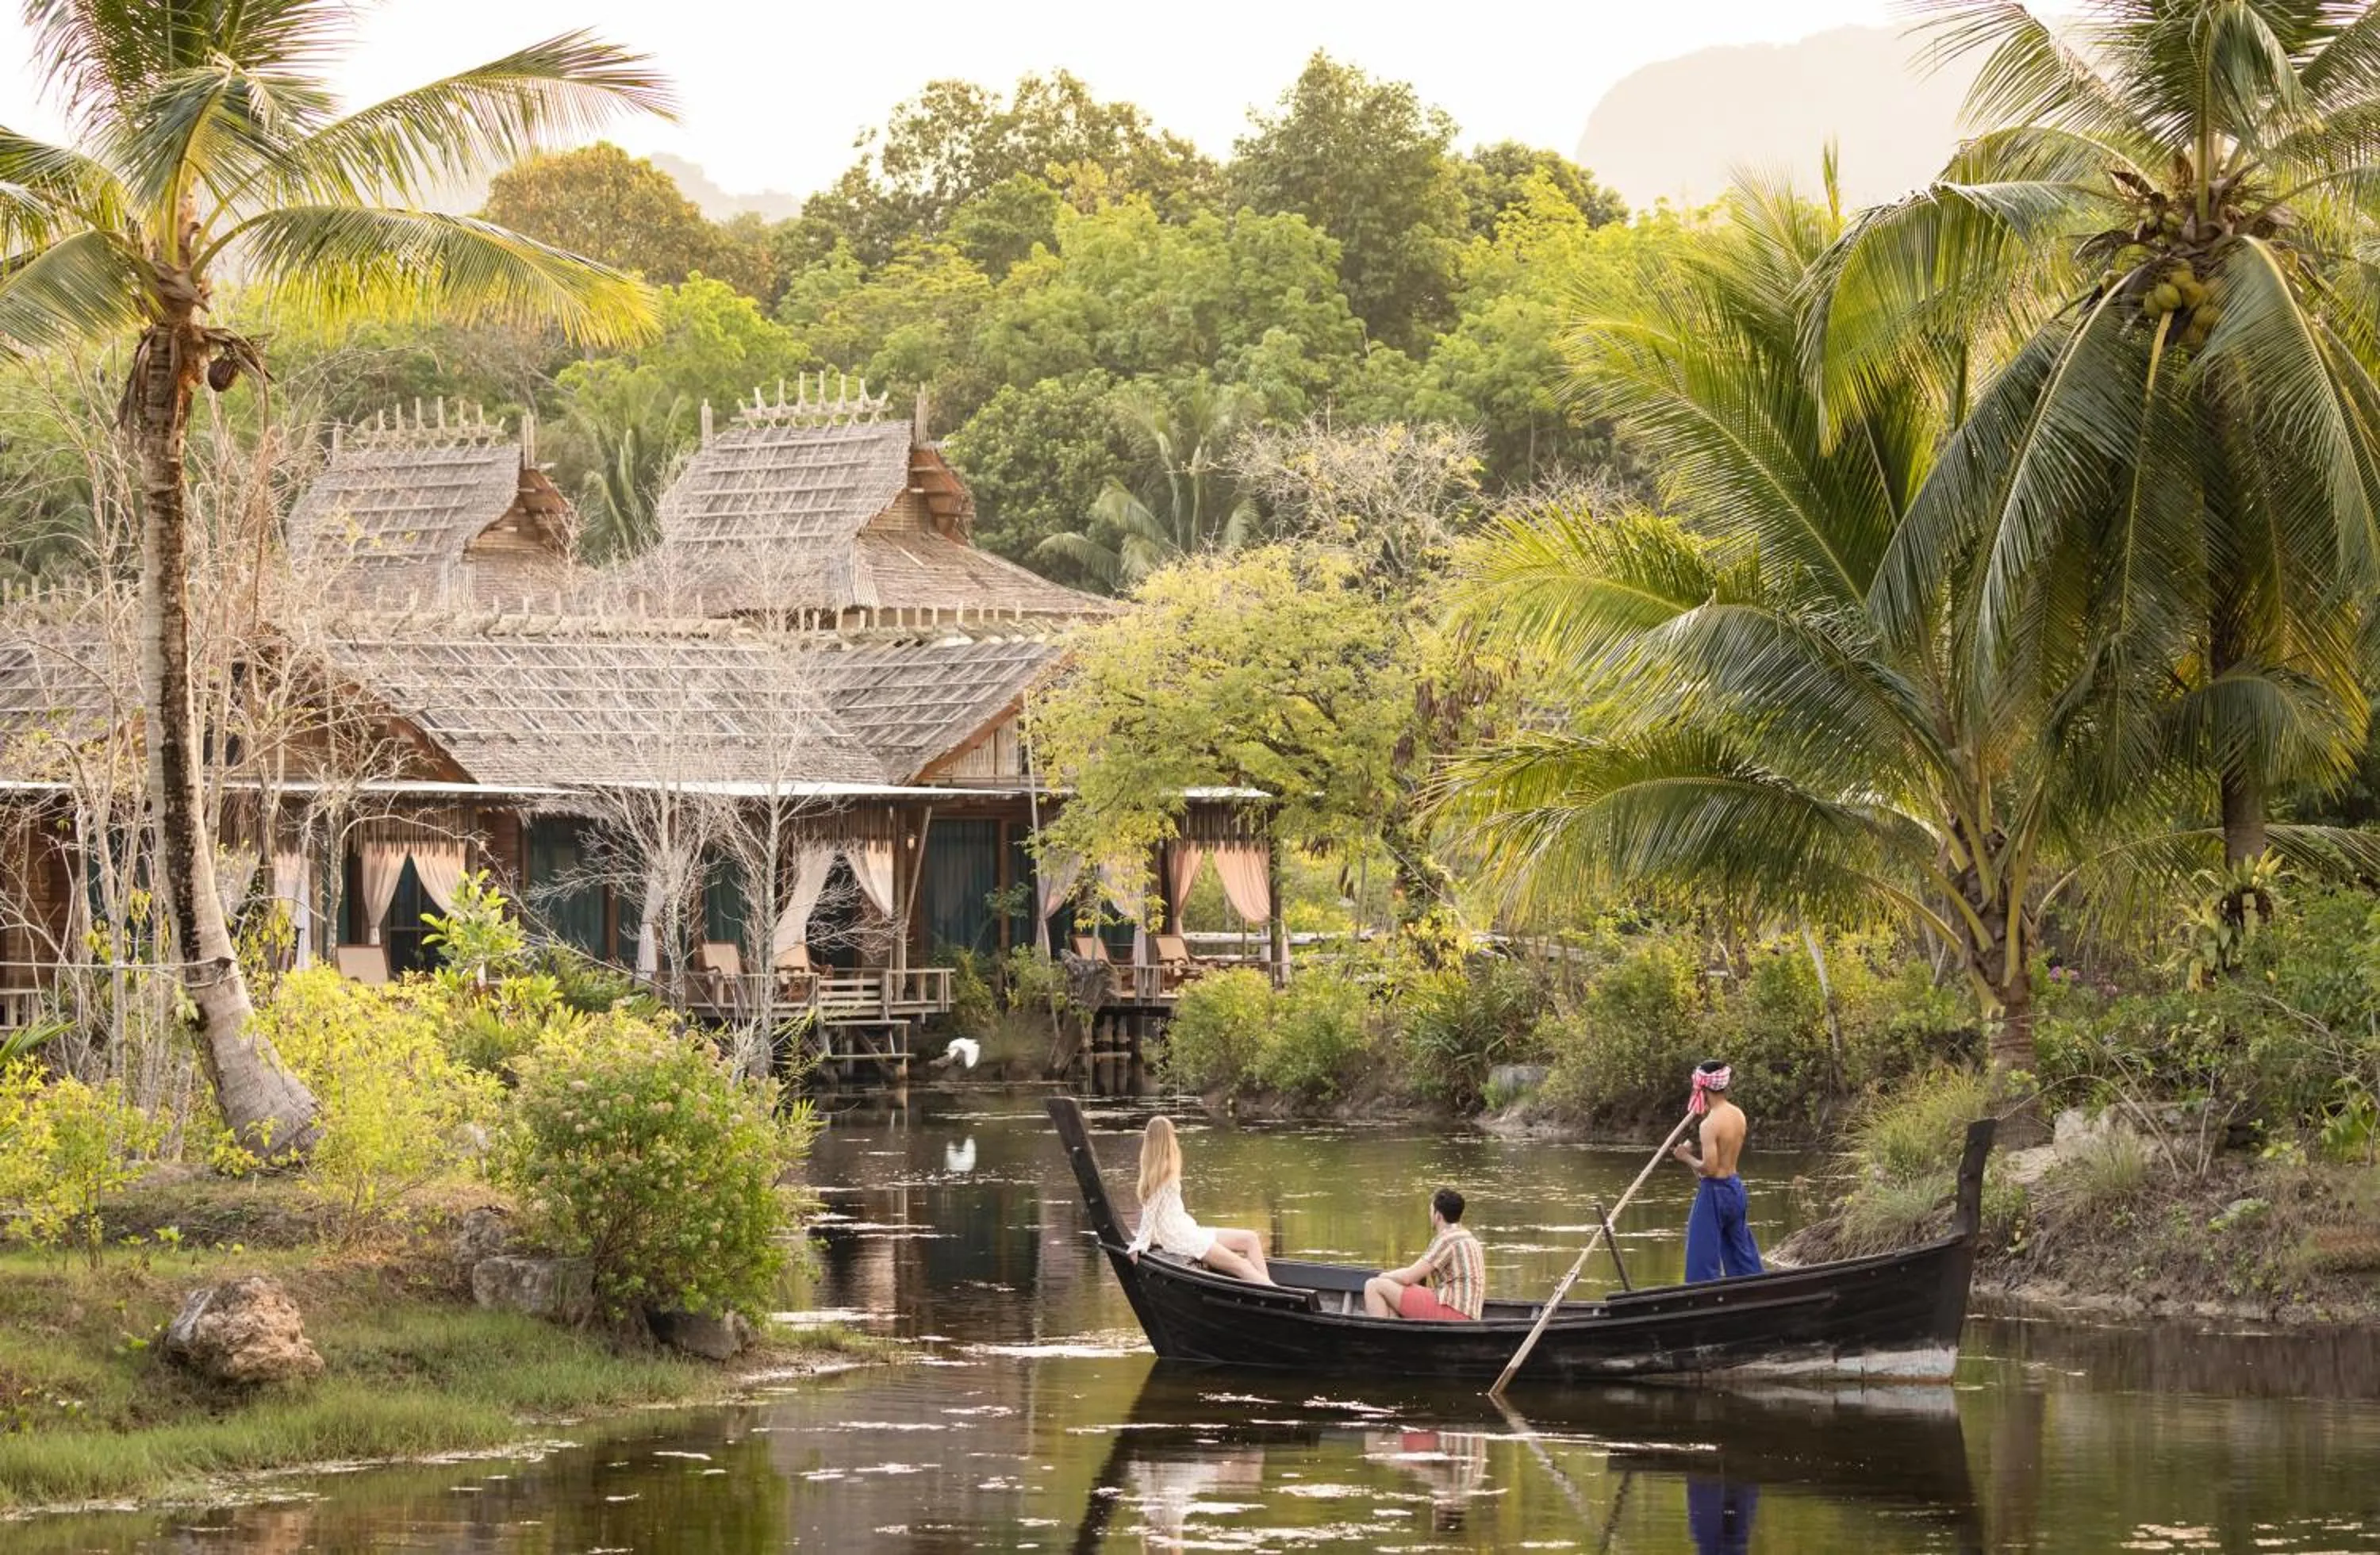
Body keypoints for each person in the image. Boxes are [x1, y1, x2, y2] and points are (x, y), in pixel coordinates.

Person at [1124, 1115, 1275, 1284]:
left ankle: (1269, 1289)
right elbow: (1150, 1212)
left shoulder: (1160, 1168)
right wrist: (1141, 1243)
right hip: (1181, 1237)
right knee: (1242, 1266)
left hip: (1187, 1230)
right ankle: (1274, 1292)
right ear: (1168, 1139)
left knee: (1250, 1239)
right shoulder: (1162, 1173)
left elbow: (1154, 1211)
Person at [1673, 1059, 1764, 1282]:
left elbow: (1709, 1169)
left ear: (1703, 1088)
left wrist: (1685, 1157)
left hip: (1715, 1193)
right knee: (1741, 1250)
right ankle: (1754, 1288)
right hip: (1735, 1188)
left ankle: (1700, 1297)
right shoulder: (1738, 1115)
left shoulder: (1709, 1124)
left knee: (1701, 1253)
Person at [1364, 1187, 1486, 1321]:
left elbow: (1408, 1277)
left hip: (1454, 1311)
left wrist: (1384, 1276)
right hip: (1467, 1312)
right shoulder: (1467, 1236)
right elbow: (1417, 1275)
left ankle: (1380, 1333)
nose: (1430, 1215)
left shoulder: (1446, 1240)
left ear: (1438, 1215)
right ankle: (1394, 1330)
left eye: (1431, 1211)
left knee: (1373, 1285)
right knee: (1391, 1292)